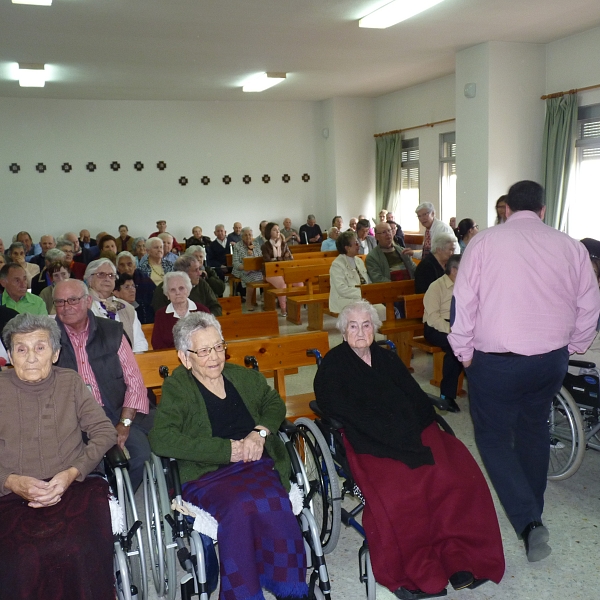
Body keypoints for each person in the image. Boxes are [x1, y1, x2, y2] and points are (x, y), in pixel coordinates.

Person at [448, 180, 600, 562]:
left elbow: (464, 300)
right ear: (543, 210)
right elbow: (589, 302)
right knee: (535, 428)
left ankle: (529, 523)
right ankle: (535, 511)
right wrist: (577, 344)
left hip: (496, 362)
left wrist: (463, 352)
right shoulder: (570, 246)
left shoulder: (483, 243)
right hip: (550, 361)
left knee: (494, 438)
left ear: (507, 209)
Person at [314, 300, 505, 597]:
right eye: (353, 326)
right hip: (370, 441)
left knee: (455, 476)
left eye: (367, 325)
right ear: (343, 331)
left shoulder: (387, 358)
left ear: (375, 329)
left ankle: (459, 557)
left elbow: (414, 396)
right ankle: (419, 569)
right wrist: (385, 431)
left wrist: (419, 425)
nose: (361, 331)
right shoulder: (333, 366)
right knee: (403, 493)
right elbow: (335, 408)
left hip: (411, 433)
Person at [149, 312, 309, 600]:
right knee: (241, 506)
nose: (215, 357)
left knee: (275, 500)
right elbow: (161, 439)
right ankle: (243, 593)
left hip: (256, 464)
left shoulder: (241, 377)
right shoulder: (178, 388)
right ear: (185, 358)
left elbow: (273, 402)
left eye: (219, 347)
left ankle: (289, 585)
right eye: (204, 351)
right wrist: (226, 450)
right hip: (207, 473)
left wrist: (259, 433)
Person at [0, 313, 117, 600]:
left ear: (55, 353)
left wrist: (72, 472)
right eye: (21, 348)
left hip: (74, 487)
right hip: (11, 495)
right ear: (10, 355)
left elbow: (104, 432)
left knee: (78, 547)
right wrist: (11, 481)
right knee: (20, 559)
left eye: (40, 347)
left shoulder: (70, 382)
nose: (30, 357)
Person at [53, 279, 153, 491]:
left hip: (116, 411)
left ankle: (119, 502)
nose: (66, 306)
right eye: (60, 302)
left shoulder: (112, 331)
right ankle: (97, 504)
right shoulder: (49, 337)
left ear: (88, 301)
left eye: (73, 300)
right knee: (84, 466)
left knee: (140, 455)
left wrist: (124, 424)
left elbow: (134, 381)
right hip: (72, 419)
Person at [423, 254, 463, 412]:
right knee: (455, 348)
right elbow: (433, 317)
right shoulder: (436, 286)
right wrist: (452, 331)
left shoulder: (466, 285)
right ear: (454, 270)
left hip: (460, 326)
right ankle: (447, 396)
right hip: (437, 327)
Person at [85, 258, 148, 353]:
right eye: (101, 274)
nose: (107, 279)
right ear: (89, 279)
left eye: (111, 275)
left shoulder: (127, 308)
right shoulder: (83, 306)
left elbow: (140, 343)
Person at [152, 272, 210, 349]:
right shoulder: (161, 315)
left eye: (181, 288)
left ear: (188, 290)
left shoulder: (202, 310)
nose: (177, 293)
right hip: (171, 358)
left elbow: (210, 337)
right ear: (167, 294)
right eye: (172, 290)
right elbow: (157, 344)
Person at [153, 254, 222, 316]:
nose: (199, 273)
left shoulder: (202, 284)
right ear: (184, 273)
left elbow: (215, 307)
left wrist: (207, 319)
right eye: (196, 270)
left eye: (199, 269)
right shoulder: (164, 288)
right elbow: (162, 315)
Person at [329, 230, 370, 313]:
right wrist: (363, 293)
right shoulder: (337, 265)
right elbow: (342, 289)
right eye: (356, 243)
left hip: (362, 297)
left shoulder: (359, 261)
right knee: (370, 310)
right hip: (345, 300)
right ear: (347, 248)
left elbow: (367, 281)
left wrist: (371, 292)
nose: (359, 245)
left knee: (382, 307)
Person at [261, 222, 296, 317]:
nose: (278, 232)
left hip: (284, 270)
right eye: (275, 230)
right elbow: (267, 260)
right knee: (282, 284)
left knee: (298, 282)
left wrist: (278, 259)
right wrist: (282, 258)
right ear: (269, 232)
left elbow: (290, 258)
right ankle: (283, 309)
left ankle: (295, 307)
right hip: (271, 272)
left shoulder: (284, 244)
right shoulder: (265, 246)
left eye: (278, 230)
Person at [116, 251, 156, 324]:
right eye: (122, 265)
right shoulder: (114, 282)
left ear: (135, 266)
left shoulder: (144, 280)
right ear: (118, 268)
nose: (126, 268)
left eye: (129, 264)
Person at [232, 227, 263, 310]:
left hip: (255, 269)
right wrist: (245, 266)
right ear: (242, 237)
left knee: (267, 277)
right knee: (251, 278)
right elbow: (235, 262)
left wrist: (252, 253)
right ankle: (248, 302)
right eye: (245, 235)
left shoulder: (256, 244)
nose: (248, 237)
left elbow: (260, 257)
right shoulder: (237, 246)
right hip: (242, 269)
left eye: (250, 235)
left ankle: (266, 301)